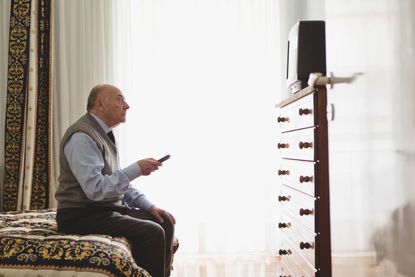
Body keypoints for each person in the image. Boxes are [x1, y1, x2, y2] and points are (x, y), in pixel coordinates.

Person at [55, 84, 176, 277]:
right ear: (100, 104)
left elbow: (114, 181)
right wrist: (136, 168)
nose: (126, 105)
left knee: (164, 222)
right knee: (152, 231)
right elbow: (95, 190)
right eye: (119, 99)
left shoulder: (103, 134)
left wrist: (148, 205)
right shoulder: (82, 137)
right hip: (80, 214)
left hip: (103, 209)